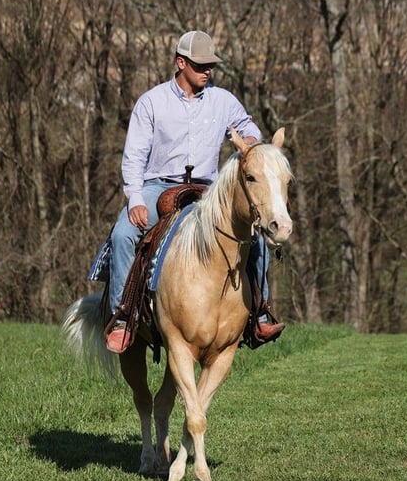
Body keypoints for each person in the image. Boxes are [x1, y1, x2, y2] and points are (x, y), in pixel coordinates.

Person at [106, 30, 284, 353]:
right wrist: (134, 198)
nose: (207, 71)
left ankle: (259, 312)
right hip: (158, 185)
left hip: (207, 189)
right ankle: (123, 316)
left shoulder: (223, 100)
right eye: (200, 65)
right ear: (180, 63)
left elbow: (249, 127)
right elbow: (133, 157)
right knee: (122, 236)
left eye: (210, 65)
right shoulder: (151, 102)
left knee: (256, 235)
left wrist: (249, 144)